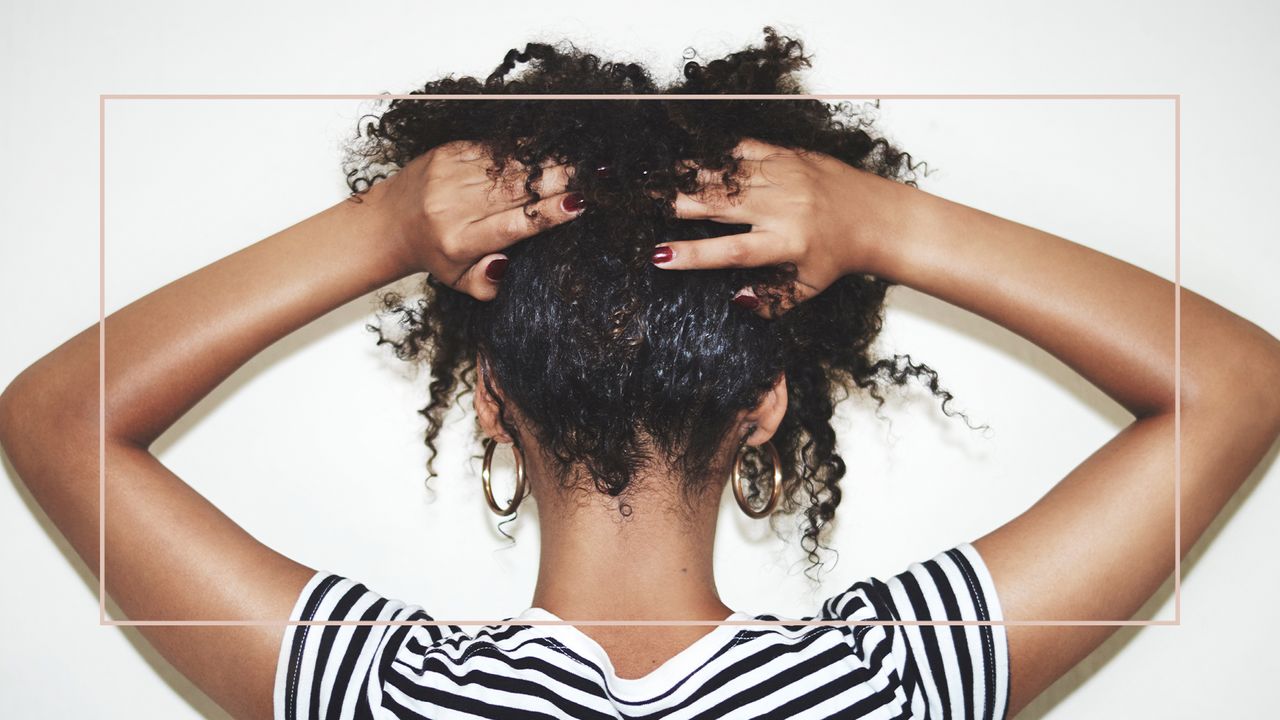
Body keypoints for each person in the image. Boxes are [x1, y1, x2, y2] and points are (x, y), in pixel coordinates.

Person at [2, 27, 1278, 720]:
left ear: (491, 410)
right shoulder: (886, 686)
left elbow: (53, 420)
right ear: (766, 404)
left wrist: (385, 228)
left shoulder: (380, 695)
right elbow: (1232, 383)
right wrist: (880, 221)